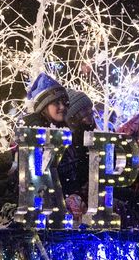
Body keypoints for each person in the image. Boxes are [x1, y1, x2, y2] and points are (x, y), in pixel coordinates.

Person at [58, 89, 96, 223]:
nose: (89, 118)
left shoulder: (93, 140)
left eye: (90, 112)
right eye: (83, 113)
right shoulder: (66, 145)